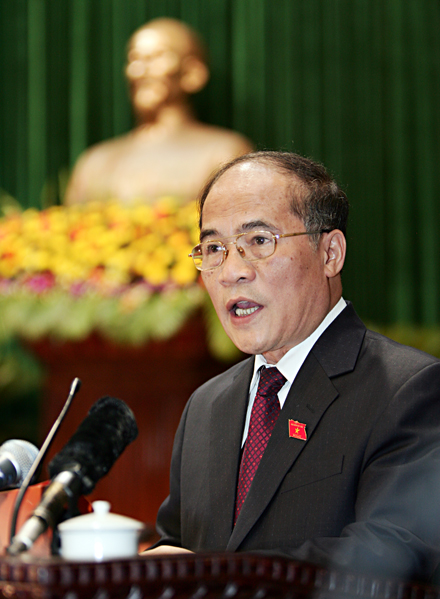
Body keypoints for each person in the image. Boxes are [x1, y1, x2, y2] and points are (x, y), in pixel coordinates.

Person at [146, 151, 440, 582]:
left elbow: (394, 553)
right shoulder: (206, 406)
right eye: (214, 248)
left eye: (259, 241)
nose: (231, 272)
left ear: (330, 253)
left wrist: (214, 576)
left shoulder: (408, 389)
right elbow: (177, 545)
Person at [64, 18, 252, 206]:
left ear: (192, 73)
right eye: (134, 59)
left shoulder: (224, 152)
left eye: (157, 57)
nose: (139, 71)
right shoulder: (94, 162)